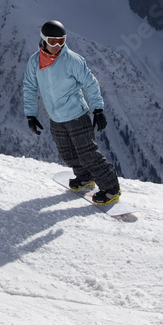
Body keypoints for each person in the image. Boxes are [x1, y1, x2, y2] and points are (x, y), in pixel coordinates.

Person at [23, 20, 121, 204]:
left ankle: (111, 188)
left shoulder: (72, 60)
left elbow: (90, 84)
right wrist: (31, 114)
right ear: (44, 40)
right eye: (53, 41)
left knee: (88, 153)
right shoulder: (34, 62)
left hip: (77, 116)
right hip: (56, 119)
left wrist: (98, 109)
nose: (57, 46)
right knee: (67, 153)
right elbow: (29, 87)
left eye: (61, 41)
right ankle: (85, 177)